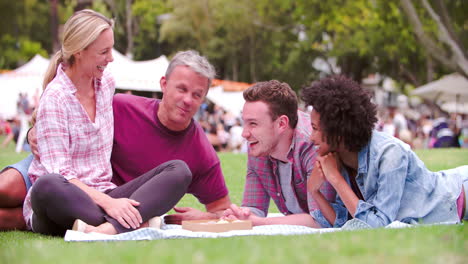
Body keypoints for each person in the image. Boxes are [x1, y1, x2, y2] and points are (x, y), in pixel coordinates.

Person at [0, 50, 231, 231]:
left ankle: (90, 225)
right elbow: (65, 117)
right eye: (181, 89)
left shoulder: (201, 153)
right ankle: (111, 226)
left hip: (103, 200)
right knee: (7, 189)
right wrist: (34, 132)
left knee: (11, 217)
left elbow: (222, 209)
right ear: (164, 84)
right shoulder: (120, 106)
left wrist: (204, 216)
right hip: (64, 171)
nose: (187, 100)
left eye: (197, 94)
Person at [23, 9, 192, 236]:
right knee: (47, 185)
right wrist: (110, 204)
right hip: (65, 198)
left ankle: (105, 229)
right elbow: (63, 175)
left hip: (105, 193)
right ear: (80, 51)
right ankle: (130, 223)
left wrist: (111, 200)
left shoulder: (106, 83)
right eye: (104, 51)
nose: (111, 58)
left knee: (179, 171)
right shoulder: (55, 98)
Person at [301, 75, 468, 228]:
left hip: (458, 197)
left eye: (315, 128)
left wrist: (336, 179)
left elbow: (377, 226)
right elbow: (344, 222)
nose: (311, 138)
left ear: (338, 131)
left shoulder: (389, 154)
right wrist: (314, 192)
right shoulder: (340, 159)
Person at [222, 80, 335, 227]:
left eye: (253, 124)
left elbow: (321, 220)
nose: (245, 134)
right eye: (245, 123)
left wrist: (260, 222)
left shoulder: (313, 144)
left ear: (281, 124)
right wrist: (241, 215)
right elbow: (254, 208)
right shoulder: (259, 146)